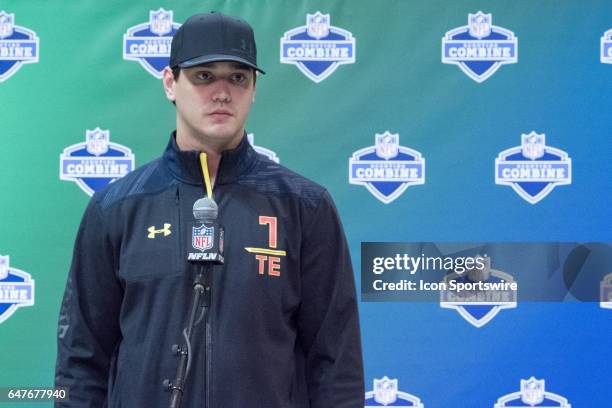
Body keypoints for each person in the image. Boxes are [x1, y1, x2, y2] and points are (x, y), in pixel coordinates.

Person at [55, 11, 364, 407]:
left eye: (238, 77)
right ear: (171, 83)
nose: (222, 92)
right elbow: (80, 361)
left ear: (253, 89)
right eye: (204, 76)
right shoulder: (116, 208)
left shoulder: (304, 206)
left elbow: (336, 361)